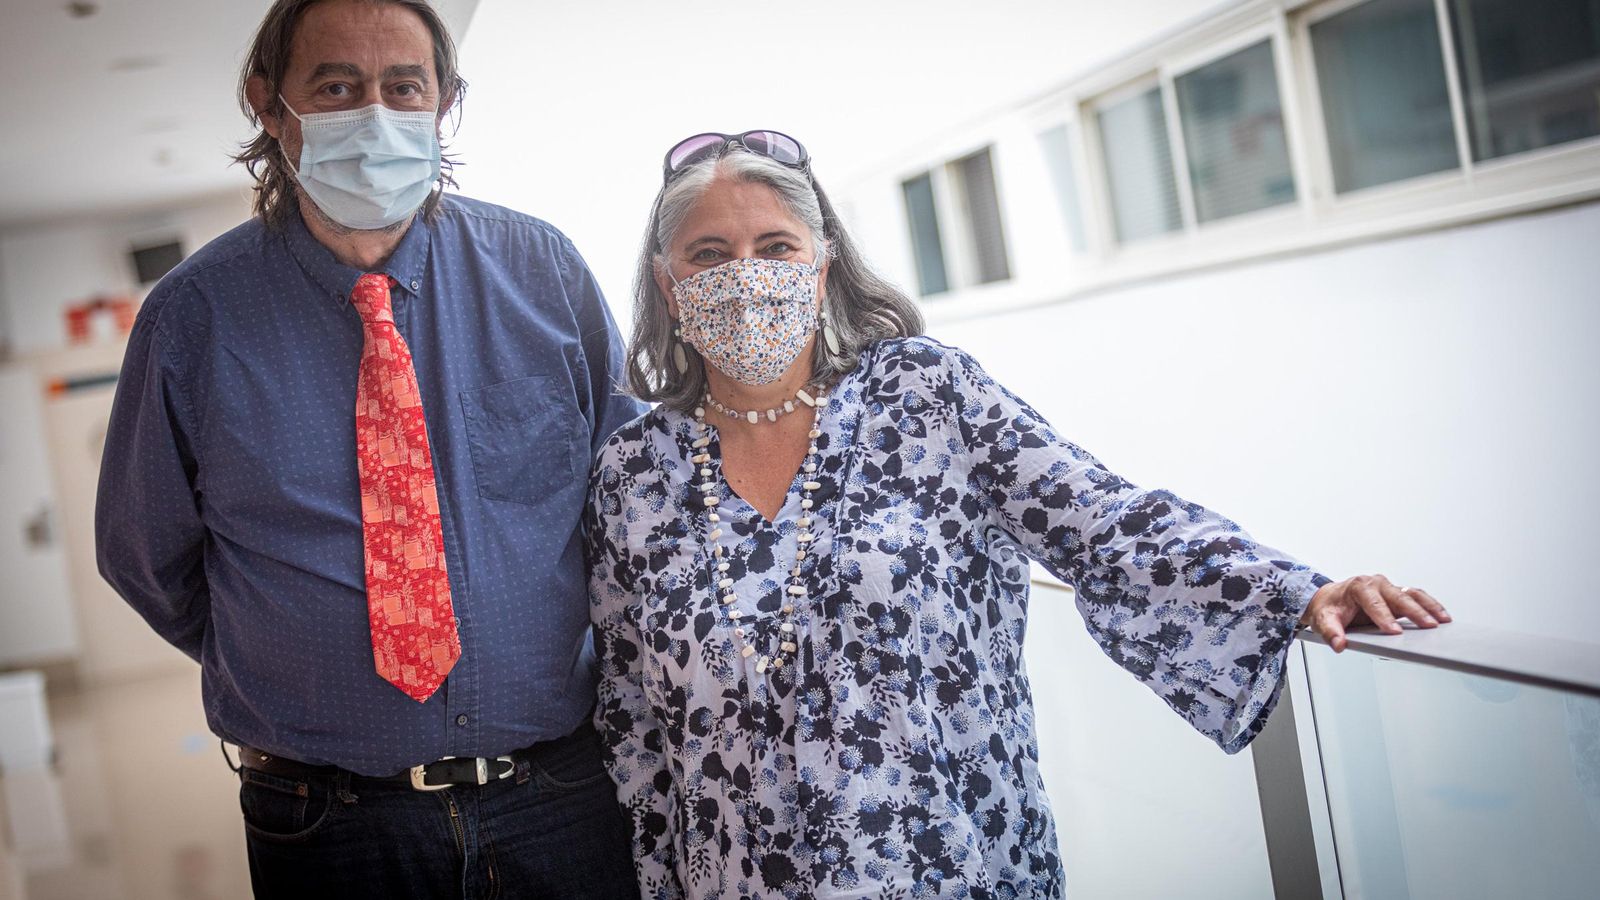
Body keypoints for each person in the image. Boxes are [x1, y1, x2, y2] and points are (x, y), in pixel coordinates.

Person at [585, 131, 1450, 899]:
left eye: (776, 246)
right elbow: (633, 726)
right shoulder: (633, 472)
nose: (747, 276)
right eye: (710, 253)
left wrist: (1292, 591)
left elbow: (1102, 522)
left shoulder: (927, 396)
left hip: (961, 863)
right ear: (668, 286)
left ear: (819, 267)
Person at [94, 1, 641, 896]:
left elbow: (627, 503)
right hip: (324, 822)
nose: (377, 116)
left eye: (404, 87)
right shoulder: (193, 319)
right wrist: (280, 648)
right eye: (339, 87)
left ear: (445, 103)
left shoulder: (544, 276)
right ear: (271, 105)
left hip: (561, 792)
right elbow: (145, 554)